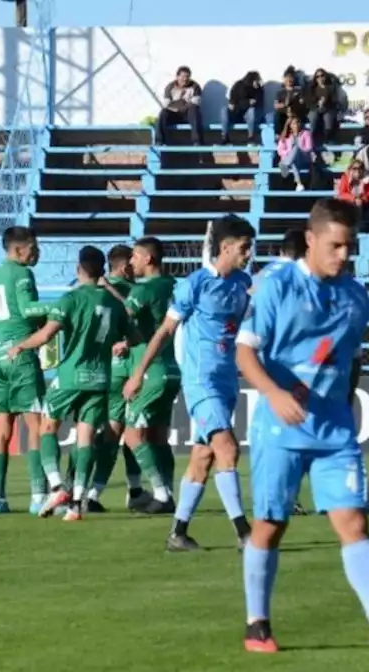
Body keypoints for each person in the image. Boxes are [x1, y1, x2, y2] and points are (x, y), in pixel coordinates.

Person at [235, 198, 369, 654]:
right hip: (280, 426)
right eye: (335, 246)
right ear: (310, 240)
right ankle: (256, 624)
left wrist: (342, 403)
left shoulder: (355, 297)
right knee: (269, 526)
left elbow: (346, 356)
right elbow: (244, 352)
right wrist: (274, 393)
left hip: (334, 431)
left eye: (350, 247)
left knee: (353, 520)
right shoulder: (275, 286)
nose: (343, 256)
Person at [125, 214, 255, 552]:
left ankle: (177, 534)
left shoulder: (243, 283)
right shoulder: (194, 284)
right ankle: (244, 533)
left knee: (203, 457)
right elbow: (166, 330)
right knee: (228, 448)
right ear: (225, 247)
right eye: (244, 248)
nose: (248, 254)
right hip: (201, 381)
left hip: (227, 382)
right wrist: (139, 372)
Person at [7, 246, 135, 521]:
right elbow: (134, 332)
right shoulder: (113, 303)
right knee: (86, 436)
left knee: (47, 426)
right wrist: (122, 343)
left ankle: (55, 487)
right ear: (102, 271)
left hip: (70, 376)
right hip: (101, 378)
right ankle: (77, 504)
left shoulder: (71, 299)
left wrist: (20, 346)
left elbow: (45, 335)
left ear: (79, 269)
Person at [0, 226, 52, 514]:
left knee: (2, 430)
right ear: (19, 249)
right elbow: (27, 309)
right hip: (19, 354)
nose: (37, 253)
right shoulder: (22, 274)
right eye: (33, 247)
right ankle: (37, 496)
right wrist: (58, 310)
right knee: (35, 426)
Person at [120, 237, 181, 514]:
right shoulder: (174, 286)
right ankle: (168, 491)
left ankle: (159, 493)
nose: (131, 261)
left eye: (134, 256)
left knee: (132, 436)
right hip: (172, 370)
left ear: (148, 259)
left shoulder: (142, 291)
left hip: (151, 371)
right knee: (158, 437)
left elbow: (123, 318)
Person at [84, 245, 146, 512]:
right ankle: (137, 490)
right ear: (124, 267)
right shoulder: (133, 291)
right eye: (132, 264)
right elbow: (138, 326)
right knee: (134, 433)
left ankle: (91, 493)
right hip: (129, 370)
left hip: (102, 370)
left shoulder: (91, 292)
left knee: (107, 434)